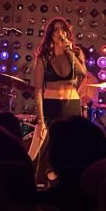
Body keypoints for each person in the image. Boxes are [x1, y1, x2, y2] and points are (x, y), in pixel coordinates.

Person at [31, 17, 87, 181]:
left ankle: (68, 181)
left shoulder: (75, 53)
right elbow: (38, 89)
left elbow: (82, 74)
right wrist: (40, 119)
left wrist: (69, 52)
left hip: (72, 104)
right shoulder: (44, 58)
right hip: (52, 104)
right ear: (50, 34)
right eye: (55, 29)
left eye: (63, 29)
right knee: (46, 148)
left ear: (67, 33)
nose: (60, 33)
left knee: (71, 147)